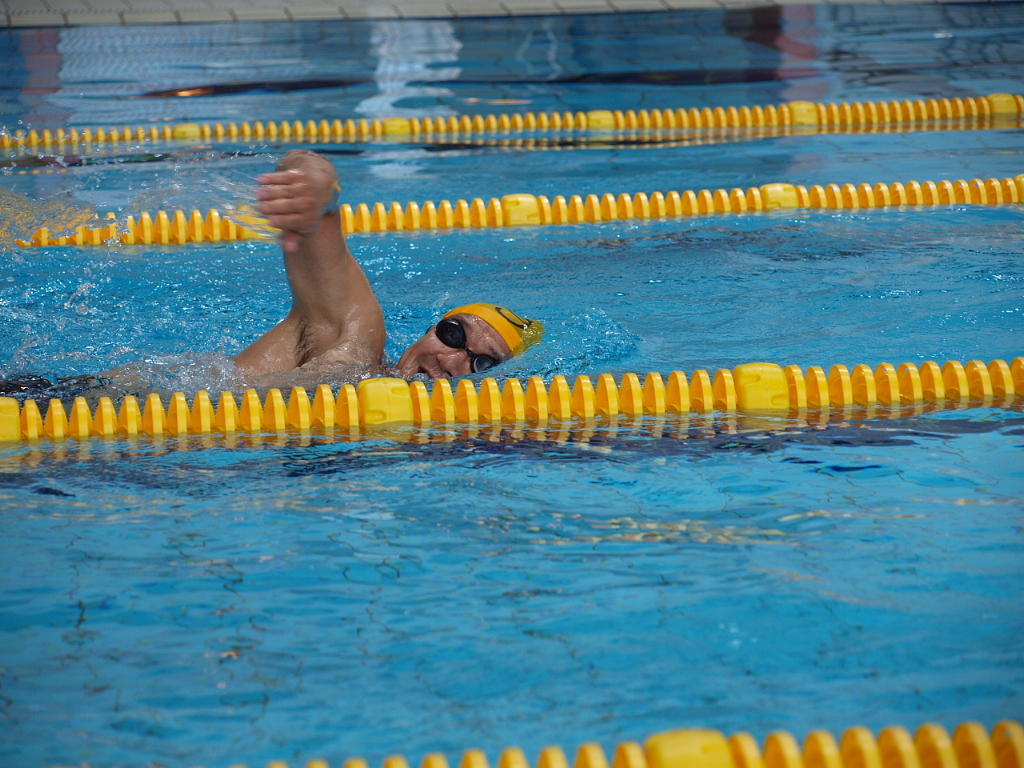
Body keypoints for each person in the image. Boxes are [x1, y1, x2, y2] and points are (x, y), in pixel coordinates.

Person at [233, 149, 543, 381]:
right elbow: (307, 172)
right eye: (453, 335)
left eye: (481, 364)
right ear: (430, 330)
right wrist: (315, 187)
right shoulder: (350, 347)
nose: (449, 361)